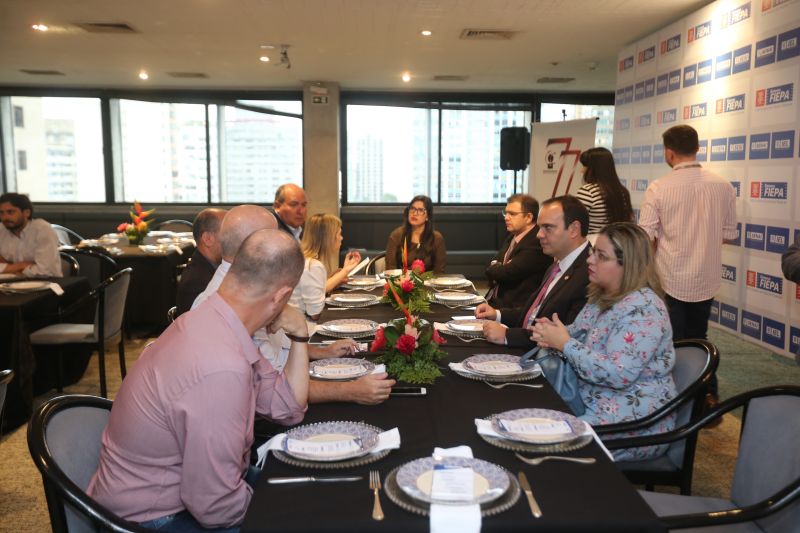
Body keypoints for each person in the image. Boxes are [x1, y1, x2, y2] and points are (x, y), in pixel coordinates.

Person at [88, 229, 310, 531]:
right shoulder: (221, 365)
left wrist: (299, 336)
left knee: (308, 491)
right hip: (151, 518)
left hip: (180, 493)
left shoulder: (213, 321)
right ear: (282, 297)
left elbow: (288, 409)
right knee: (311, 515)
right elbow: (215, 506)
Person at [194, 205, 395, 405]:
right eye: (275, 237)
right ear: (253, 247)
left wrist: (321, 352)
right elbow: (275, 390)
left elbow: (279, 349)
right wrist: (349, 390)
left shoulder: (249, 284)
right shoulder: (227, 304)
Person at [532, 222, 677, 461]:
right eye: (593, 252)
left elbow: (618, 374)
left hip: (632, 422)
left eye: (601, 256)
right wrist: (553, 334)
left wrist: (564, 343)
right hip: (590, 401)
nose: (590, 260)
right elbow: (579, 333)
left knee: (539, 443)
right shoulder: (602, 296)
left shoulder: (645, 310)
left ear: (627, 265)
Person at [639, 124, 736, 411]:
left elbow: (645, 237)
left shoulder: (659, 187)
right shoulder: (723, 185)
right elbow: (729, 233)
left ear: (668, 152)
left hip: (669, 276)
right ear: (697, 148)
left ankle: (677, 400)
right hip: (706, 277)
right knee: (699, 337)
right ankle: (706, 395)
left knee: (673, 340)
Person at [475, 195, 590, 348]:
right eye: (540, 227)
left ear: (574, 229)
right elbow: (534, 313)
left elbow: (564, 336)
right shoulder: (558, 265)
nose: (538, 234)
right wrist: (497, 314)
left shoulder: (589, 273)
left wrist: (507, 336)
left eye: (547, 227)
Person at [289, 214, 362, 321]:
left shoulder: (305, 259)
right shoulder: (312, 266)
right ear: (329, 238)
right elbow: (315, 314)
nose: (342, 238)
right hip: (304, 328)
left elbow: (319, 288)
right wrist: (344, 271)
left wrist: (342, 272)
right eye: (339, 234)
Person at [485, 194, 551, 308]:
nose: (506, 217)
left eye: (512, 214)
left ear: (529, 217)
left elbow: (506, 273)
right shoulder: (513, 236)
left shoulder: (536, 241)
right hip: (494, 301)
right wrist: (496, 267)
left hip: (513, 309)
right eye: (506, 213)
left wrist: (496, 267)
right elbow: (491, 265)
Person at [175, 208, 227, 316]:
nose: (232, 239)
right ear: (208, 239)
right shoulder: (196, 282)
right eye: (228, 233)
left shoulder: (213, 266)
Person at [575, 147, 634, 238]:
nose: (582, 170)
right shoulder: (623, 192)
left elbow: (574, 223)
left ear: (594, 168)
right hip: (618, 244)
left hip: (593, 246)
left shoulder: (588, 191)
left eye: (585, 166)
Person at [0, 192, 61, 277]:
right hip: (11, 286)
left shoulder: (41, 229)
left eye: (10, 212)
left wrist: (10, 269)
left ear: (27, 212)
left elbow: (45, 271)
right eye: (1, 213)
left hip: (48, 284)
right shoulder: (2, 229)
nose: (5, 217)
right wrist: (20, 266)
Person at [385, 195, 446, 274]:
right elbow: (390, 268)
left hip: (428, 283)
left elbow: (439, 271)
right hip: (401, 283)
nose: (414, 213)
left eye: (420, 210)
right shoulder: (397, 235)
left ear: (427, 216)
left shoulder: (437, 238)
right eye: (412, 208)